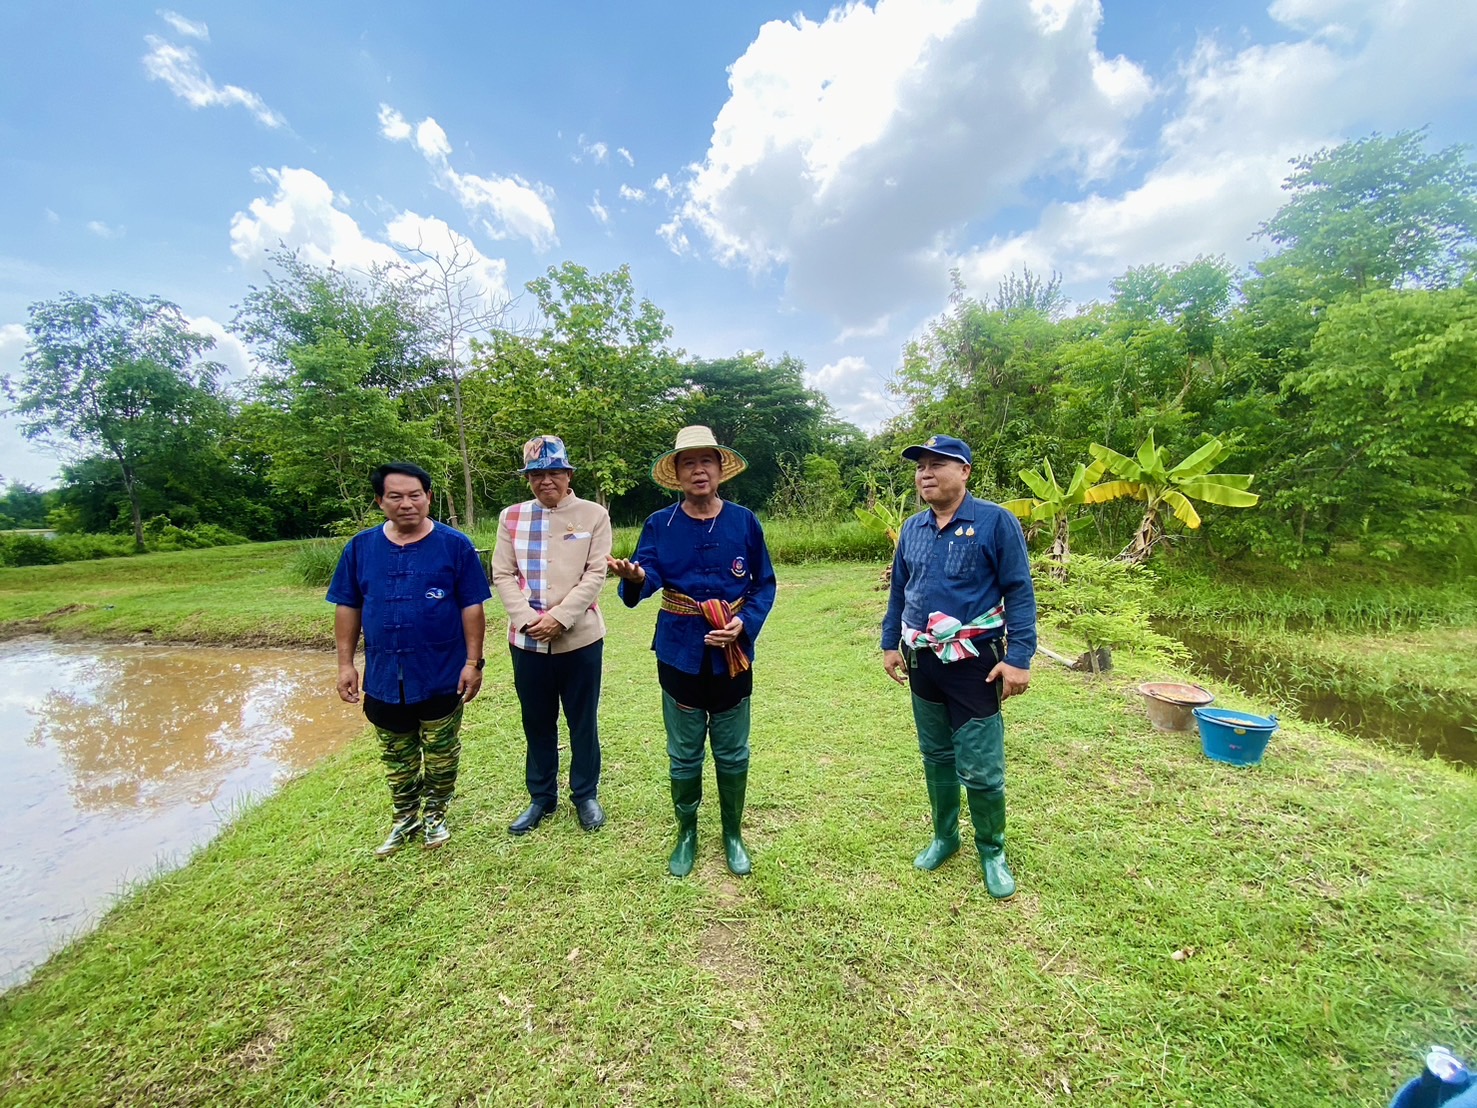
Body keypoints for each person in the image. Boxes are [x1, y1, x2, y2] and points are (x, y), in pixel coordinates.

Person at [606, 426, 777, 878]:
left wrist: (745, 623)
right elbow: (647, 577)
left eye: (707, 461)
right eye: (688, 462)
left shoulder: (744, 521)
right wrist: (635, 576)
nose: (699, 470)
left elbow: (763, 583)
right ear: (677, 473)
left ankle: (732, 833)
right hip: (679, 651)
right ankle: (686, 833)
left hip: (733, 651)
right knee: (684, 754)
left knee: (733, 752)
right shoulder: (659, 524)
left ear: (721, 469)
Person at [880, 434, 1036, 899]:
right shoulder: (912, 528)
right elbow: (899, 592)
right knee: (936, 756)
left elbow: (1019, 592)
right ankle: (946, 837)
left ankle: (992, 850)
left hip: (976, 664)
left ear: (964, 471)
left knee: (982, 765)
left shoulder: (994, 522)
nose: (925, 473)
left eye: (937, 464)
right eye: (920, 466)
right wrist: (890, 643)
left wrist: (1019, 658)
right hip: (923, 660)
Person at [327, 462, 491, 856]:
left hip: (440, 672)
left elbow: (473, 607)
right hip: (384, 677)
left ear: (428, 497)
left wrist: (474, 662)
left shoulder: (455, 545)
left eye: (415, 495)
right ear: (379, 500)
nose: (407, 504)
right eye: (395, 496)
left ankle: (435, 814)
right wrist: (345, 664)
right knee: (396, 755)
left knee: (441, 752)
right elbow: (348, 607)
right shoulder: (360, 548)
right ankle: (405, 819)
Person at [491, 435, 613, 835]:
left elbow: (596, 573)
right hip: (526, 641)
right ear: (528, 479)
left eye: (554, 472)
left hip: (580, 638)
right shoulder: (511, 516)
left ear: (569, 474)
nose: (547, 481)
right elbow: (503, 574)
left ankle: (585, 794)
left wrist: (560, 617)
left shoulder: (593, 515)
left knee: (582, 720)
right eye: (537, 474)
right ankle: (541, 798)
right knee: (537, 721)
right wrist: (527, 619)